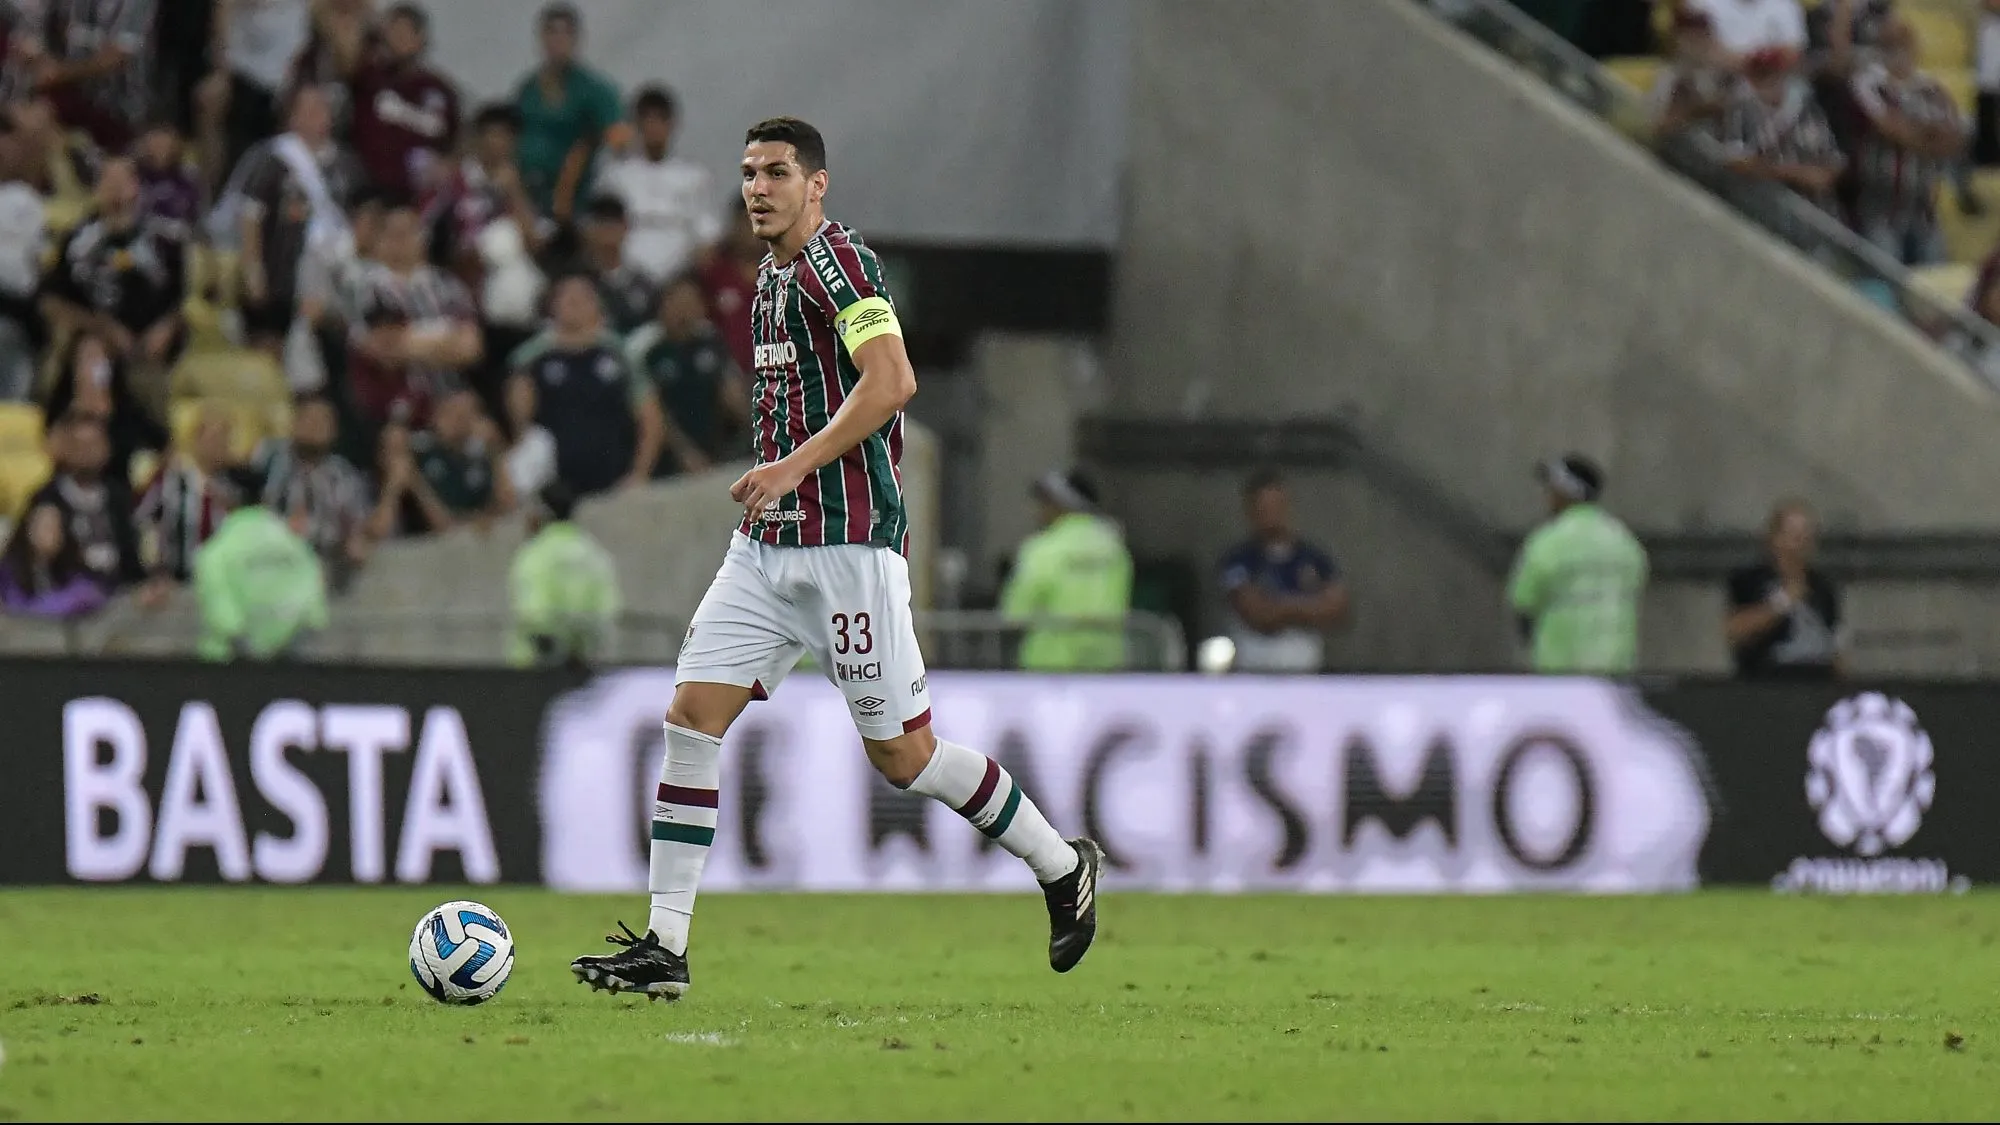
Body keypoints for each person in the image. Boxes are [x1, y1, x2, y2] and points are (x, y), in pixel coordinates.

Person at [568, 118, 1102, 1002]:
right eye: (747, 173)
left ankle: (1058, 863)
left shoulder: (838, 262)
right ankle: (665, 947)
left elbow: (893, 382)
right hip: (767, 549)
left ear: (817, 185)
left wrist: (791, 465)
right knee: (691, 716)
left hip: (848, 547)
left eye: (777, 172)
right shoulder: (769, 279)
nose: (758, 187)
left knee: (906, 758)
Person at [504, 272, 661, 496]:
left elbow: (650, 417)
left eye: (583, 297)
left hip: (616, 479)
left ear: (598, 305)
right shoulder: (530, 358)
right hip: (559, 487)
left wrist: (640, 474)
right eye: (567, 298)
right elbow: (522, 426)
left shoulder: (621, 352)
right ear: (552, 306)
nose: (575, 303)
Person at [1506, 455, 1650, 674]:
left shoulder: (1547, 542)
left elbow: (1523, 605)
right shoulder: (1625, 542)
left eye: (1552, 489)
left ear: (1564, 494)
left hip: (1561, 673)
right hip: (1617, 672)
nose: (1548, 496)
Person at [999, 468, 1133, 671]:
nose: (1039, 509)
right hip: (1106, 666)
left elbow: (1015, 614)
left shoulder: (1042, 549)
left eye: (1046, 501)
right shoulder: (1115, 548)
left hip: (1050, 667)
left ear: (1062, 504)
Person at [1216, 470, 1350, 673]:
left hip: (1305, 677)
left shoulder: (1315, 559)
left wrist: (1278, 606)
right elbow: (1257, 615)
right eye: (1263, 507)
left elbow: (1336, 610)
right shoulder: (1237, 562)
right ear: (1250, 511)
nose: (1271, 514)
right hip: (1253, 676)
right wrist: (1308, 607)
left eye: (1275, 505)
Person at [193, 464, 329, 661]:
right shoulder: (295, 545)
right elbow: (314, 610)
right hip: (291, 665)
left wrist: (251, 653)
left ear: (225, 497)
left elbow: (222, 613)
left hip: (228, 669)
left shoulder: (217, 551)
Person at [625, 271, 748, 475]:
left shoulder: (710, 340)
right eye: (678, 301)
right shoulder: (645, 348)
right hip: (666, 459)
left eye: (691, 301)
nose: (685, 309)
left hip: (715, 451)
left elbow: (731, 393)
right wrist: (685, 453)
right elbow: (655, 412)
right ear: (662, 306)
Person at [512, 2, 621, 223]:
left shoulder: (594, 90)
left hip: (575, 198)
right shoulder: (527, 89)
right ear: (541, 37)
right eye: (552, 32)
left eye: (566, 33)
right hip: (527, 196)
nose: (558, 40)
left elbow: (619, 136)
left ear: (577, 39)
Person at [1725, 498, 1844, 679]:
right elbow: (1736, 631)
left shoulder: (1822, 586)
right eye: (1794, 537)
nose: (1800, 546)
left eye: (1807, 537)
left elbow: (1835, 640)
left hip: (1818, 679)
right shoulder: (1750, 580)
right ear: (1775, 539)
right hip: (1769, 680)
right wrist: (1782, 603)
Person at [507, 479, 617, 669]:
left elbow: (534, 616)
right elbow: (608, 611)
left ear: (542, 513)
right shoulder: (595, 554)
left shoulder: (535, 554)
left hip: (537, 671)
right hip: (587, 668)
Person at [0, 501, 110, 619]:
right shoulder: (10, 569)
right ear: (29, 530)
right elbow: (18, 610)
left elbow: (92, 593)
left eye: (58, 528)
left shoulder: (65, 565)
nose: (54, 534)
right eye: (47, 527)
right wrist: (68, 600)